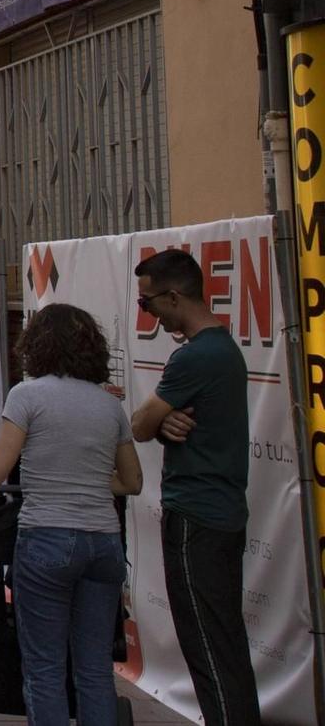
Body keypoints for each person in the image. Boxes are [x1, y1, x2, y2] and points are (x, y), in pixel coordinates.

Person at [0, 304, 142, 726]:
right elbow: (131, 481)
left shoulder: (26, 396)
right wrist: (85, 481)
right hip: (103, 543)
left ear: (35, 346)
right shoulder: (107, 405)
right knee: (95, 669)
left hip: (46, 537)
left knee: (44, 668)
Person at [129, 249, 260, 726]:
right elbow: (160, 425)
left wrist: (158, 422)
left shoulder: (193, 358)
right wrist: (168, 424)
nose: (150, 315)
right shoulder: (224, 350)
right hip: (221, 512)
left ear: (174, 295)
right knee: (222, 643)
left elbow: (140, 424)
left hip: (196, 516)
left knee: (206, 645)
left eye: (149, 304)